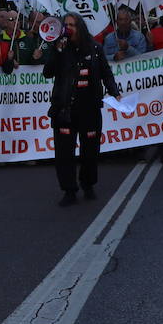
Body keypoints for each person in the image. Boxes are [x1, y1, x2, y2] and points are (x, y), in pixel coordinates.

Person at [40, 13, 119, 206]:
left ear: (80, 27)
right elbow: (47, 72)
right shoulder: (59, 48)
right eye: (66, 25)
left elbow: (106, 73)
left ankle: (88, 184)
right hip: (64, 109)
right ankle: (69, 189)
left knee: (90, 151)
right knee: (64, 152)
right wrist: (57, 51)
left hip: (89, 109)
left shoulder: (95, 48)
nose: (68, 28)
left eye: (72, 25)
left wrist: (114, 92)